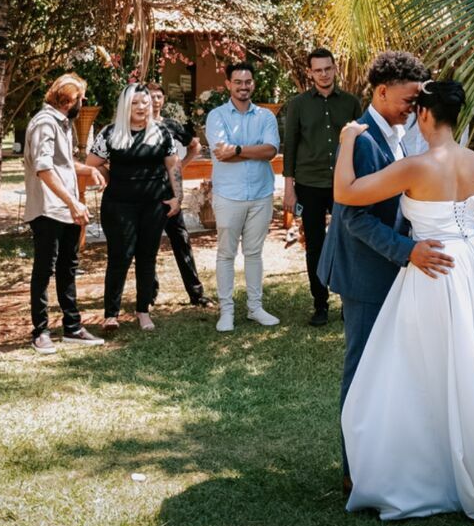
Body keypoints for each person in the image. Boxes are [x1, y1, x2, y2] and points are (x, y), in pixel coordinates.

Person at [331, 79, 474, 522]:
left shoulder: (414, 166)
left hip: (434, 269)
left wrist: (347, 140)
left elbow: (345, 193)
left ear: (425, 115)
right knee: (473, 363)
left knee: (424, 368)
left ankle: (429, 470)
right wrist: (465, 219)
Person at [316, 49, 454, 486]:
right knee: (361, 370)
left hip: (388, 269)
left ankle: (382, 459)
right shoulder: (360, 140)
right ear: (381, 92)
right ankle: (353, 471)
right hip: (364, 273)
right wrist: (408, 251)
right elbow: (354, 218)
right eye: (409, 99)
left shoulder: (396, 136)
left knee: (387, 368)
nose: (414, 108)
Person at [85, 85, 184, 333]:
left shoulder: (161, 132)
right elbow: (92, 163)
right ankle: (111, 314)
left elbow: (173, 165)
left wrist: (178, 197)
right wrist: (110, 177)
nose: (141, 107)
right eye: (136, 103)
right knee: (120, 256)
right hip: (118, 206)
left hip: (154, 205)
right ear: (125, 106)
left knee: (147, 257)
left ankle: (143, 311)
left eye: (145, 103)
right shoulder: (110, 133)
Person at [278, 47, 359, 326]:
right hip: (309, 184)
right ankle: (320, 304)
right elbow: (290, 147)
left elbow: (360, 144)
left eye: (327, 68)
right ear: (310, 73)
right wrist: (289, 189)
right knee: (314, 246)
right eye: (318, 70)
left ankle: (348, 302)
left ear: (334, 68)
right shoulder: (298, 104)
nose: (323, 74)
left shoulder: (351, 103)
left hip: (344, 185)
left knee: (348, 243)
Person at [23, 74, 103, 354]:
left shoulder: (62, 123)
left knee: (68, 267)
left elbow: (63, 163)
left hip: (66, 209)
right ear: (68, 99)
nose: (83, 102)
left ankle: (72, 327)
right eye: (81, 97)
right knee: (44, 270)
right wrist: (72, 202)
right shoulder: (44, 123)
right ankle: (40, 331)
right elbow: (44, 168)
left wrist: (88, 169)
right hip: (48, 209)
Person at [204, 61, 282, 331]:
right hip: (229, 195)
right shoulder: (216, 116)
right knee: (226, 254)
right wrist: (251, 150)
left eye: (247, 82)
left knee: (254, 253)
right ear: (228, 84)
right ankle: (226, 311)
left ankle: (255, 308)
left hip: (261, 194)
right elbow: (221, 153)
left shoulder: (266, 116)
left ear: (253, 84)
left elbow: (270, 151)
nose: (243, 87)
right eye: (237, 82)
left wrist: (237, 149)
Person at [147, 83, 212, 308]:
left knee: (181, 241)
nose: (155, 100)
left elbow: (196, 146)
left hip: (170, 192)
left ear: (163, 100)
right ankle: (149, 294)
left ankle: (196, 294)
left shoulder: (171, 125)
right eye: (151, 96)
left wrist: (179, 167)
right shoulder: (137, 126)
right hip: (147, 193)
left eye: (159, 96)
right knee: (148, 246)